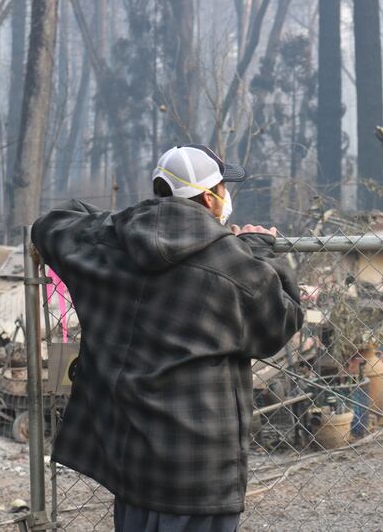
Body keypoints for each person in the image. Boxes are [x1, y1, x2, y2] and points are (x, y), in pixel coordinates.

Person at [31, 144, 303, 532]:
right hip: (199, 472)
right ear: (209, 198)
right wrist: (260, 252)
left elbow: (52, 224)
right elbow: (280, 322)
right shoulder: (232, 263)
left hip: (131, 465)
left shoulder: (110, 240)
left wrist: (116, 221)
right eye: (223, 187)